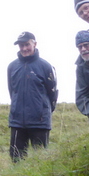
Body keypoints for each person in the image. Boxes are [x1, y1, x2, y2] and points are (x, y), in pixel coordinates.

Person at [7, 31, 58, 162]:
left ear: (34, 44)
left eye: (27, 44)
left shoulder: (46, 66)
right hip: (17, 122)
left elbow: (52, 94)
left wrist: (43, 112)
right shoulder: (12, 67)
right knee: (16, 161)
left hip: (40, 122)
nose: (24, 48)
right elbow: (12, 91)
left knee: (41, 162)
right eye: (21, 45)